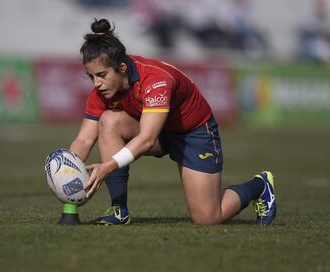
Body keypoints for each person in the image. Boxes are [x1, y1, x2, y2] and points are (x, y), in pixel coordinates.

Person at [69, 18, 276, 225]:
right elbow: (85, 140)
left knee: (208, 218)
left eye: (102, 75)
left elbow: (147, 139)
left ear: (122, 67)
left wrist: (107, 166)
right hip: (157, 128)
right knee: (109, 121)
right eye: (91, 77)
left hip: (193, 132)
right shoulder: (102, 91)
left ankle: (259, 186)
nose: (97, 84)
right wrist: (65, 172)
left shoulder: (155, 79)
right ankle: (118, 210)